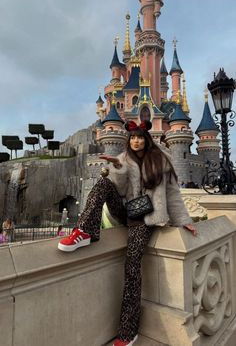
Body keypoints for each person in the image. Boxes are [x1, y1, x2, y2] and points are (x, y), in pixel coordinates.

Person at [58, 120, 197, 346]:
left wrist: (184, 220)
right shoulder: (123, 159)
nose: (136, 141)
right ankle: (84, 231)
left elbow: (173, 195)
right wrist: (117, 169)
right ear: (128, 140)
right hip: (127, 213)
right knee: (103, 184)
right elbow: (120, 190)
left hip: (145, 220)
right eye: (132, 137)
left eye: (140, 137)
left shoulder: (161, 161)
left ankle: (128, 332)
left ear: (146, 139)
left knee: (132, 268)